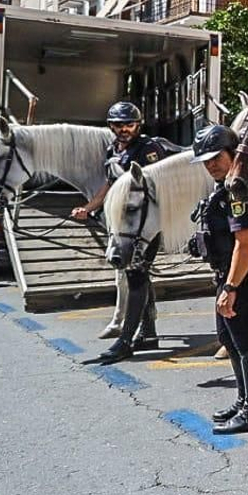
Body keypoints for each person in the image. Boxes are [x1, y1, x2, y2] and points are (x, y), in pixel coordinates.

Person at [189, 124, 248, 434]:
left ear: (232, 153)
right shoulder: (225, 186)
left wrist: (231, 287)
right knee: (232, 341)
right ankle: (244, 400)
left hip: (244, 281)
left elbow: (246, 242)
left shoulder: (239, 190)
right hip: (229, 276)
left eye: (216, 158)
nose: (211, 165)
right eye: (206, 161)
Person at [82, 101, 180, 362]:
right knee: (139, 275)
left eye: (129, 124)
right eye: (118, 124)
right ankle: (148, 332)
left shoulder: (149, 150)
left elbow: (158, 187)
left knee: (136, 275)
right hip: (123, 223)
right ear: (110, 126)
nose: (124, 129)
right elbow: (110, 184)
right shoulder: (112, 150)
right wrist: (89, 207)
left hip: (143, 225)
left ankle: (126, 340)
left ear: (138, 125)